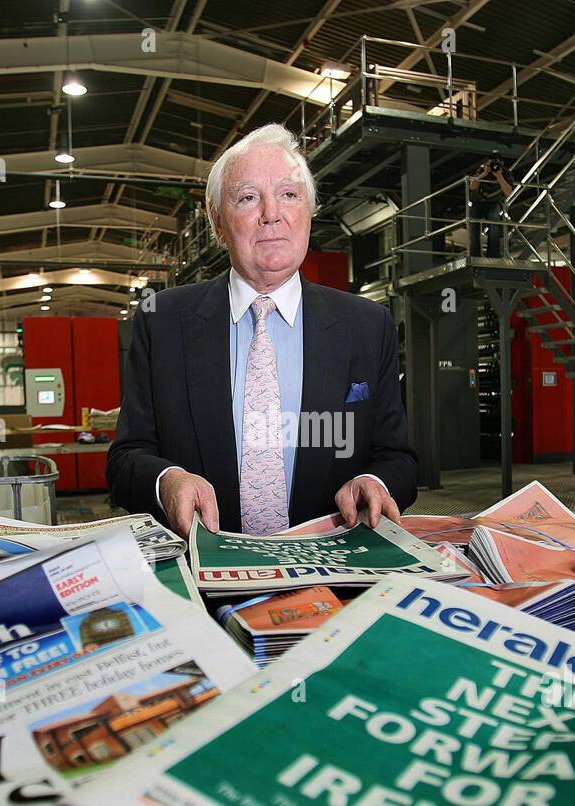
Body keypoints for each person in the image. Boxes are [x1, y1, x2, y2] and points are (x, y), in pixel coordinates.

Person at [107, 123, 418, 538]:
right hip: (203, 576)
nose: (271, 214)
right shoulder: (162, 321)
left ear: (308, 211)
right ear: (218, 223)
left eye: (289, 195)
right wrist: (169, 480)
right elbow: (126, 458)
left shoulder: (367, 325)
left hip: (331, 569)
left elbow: (397, 459)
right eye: (248, 198)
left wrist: (376, 483)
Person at [468, 158, 513, 257]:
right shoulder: (481, 170)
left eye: (497, 163)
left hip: (493, 202)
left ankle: (493, 254)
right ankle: (474, 254)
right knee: (474, 226)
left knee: (494, 224)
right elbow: (472, 187)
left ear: (502, 163)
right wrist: (484, 173)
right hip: (477, 202)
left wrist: (499, 175)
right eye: (492, 163)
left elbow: (508, 192)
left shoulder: (505, 173)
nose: (494, 166)